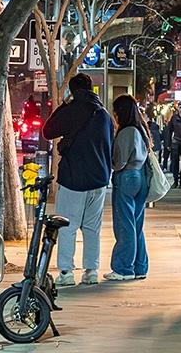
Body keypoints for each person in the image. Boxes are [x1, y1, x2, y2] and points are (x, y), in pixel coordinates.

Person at [42, 73, 114, 287]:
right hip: (99, 178)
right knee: (92, 228)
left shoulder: (72, 110)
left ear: (72, 91)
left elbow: (48, 131)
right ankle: (91, 271)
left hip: (74, 178)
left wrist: (64, 104)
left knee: (67, 226)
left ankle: (66, 272)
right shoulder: (103, 114)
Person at [106, 95, 151, 281]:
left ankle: (124, 267)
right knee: (136, 224)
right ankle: (140, 266)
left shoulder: (126, 132)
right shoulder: (141, 130)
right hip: (141, 176)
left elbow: (119, 161)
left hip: (127, 177)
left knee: (125, 224)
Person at [160, 104, 174, 172]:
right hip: (170, 143)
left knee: (167, 157)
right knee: (170, 157)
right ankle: (170, 168)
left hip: (168, 144)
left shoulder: (166, 127)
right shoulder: (169, 127)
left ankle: (166, 167)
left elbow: (164, 136)